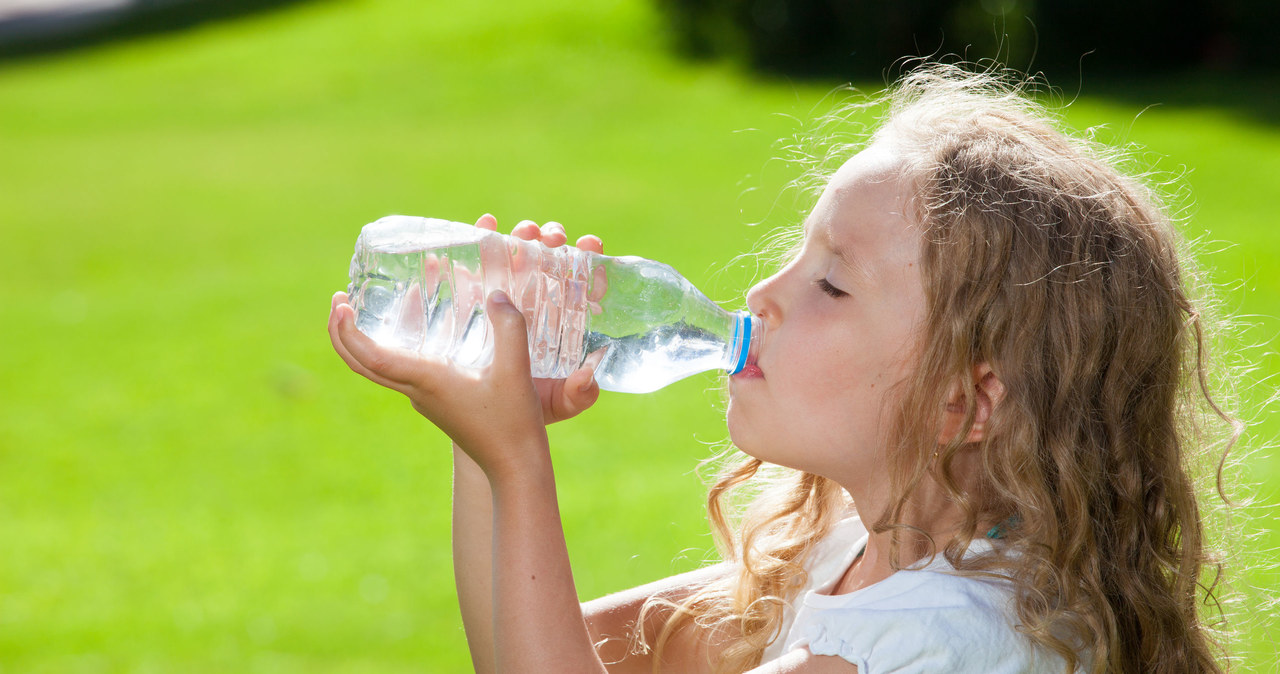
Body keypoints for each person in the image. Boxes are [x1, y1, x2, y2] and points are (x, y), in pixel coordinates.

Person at [327, 64, 1241, 673]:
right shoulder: (850, 551)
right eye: (796, 257)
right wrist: (490, 430)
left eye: (831, 284)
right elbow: (546, 648)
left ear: (967, 401)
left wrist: (519, 464)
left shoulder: (939, 639)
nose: (762, 291)